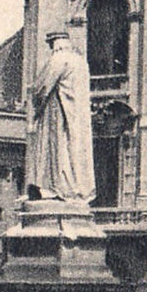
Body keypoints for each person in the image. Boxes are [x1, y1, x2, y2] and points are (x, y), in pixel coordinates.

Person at [29, 30, 96, 204]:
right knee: (74, 150)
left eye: (51, 45)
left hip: (58, 112)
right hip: (78, 115)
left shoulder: (58, 59)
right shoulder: (81, 62)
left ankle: (56, 189)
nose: (51, 49)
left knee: (57, 151)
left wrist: (35, 105)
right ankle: (76, 188)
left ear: (55, 44)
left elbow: (41, 88)